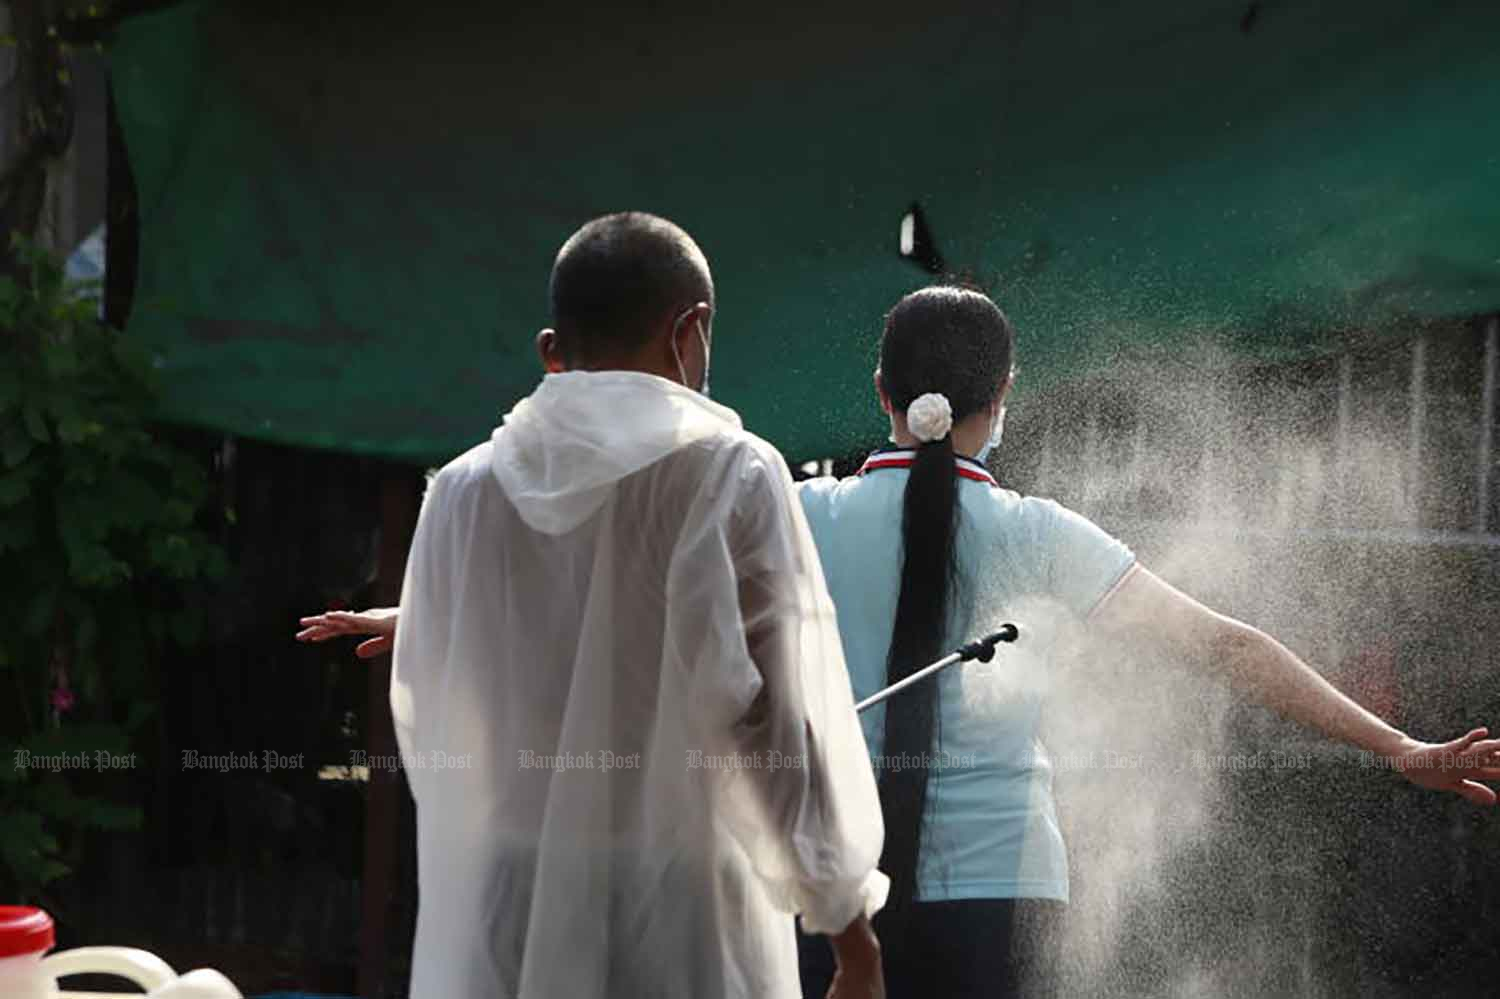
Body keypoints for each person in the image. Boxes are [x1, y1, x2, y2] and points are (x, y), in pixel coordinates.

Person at [304, 285, 1500, 996]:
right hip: (1001, 901)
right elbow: (1228, 647)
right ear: (1003, 397)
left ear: (880, 390)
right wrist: (1399, 746)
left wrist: (426, 610)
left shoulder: (796, 509)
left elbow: (611, 594)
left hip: (826, 893)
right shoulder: (1035, 531)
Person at [300, 212, 888, 999]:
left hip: (511, 904)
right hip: (680, 910)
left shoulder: (465, 492)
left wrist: (428, 619)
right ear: (692, 330)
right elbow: (770, 720)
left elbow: (481, 697)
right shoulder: (731, 475)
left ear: (551, 350)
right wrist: (850, 931)